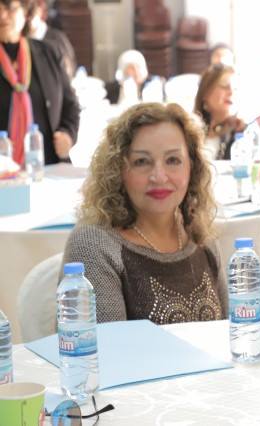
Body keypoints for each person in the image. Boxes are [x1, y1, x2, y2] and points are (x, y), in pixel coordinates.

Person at [62, 102, 228, 324]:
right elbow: (106, 344)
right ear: (118, 170)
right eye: (142, 162)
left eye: (173, 160)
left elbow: (230, 330)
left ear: (192, 166)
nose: (159, 176)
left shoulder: (200, 235)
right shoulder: (93, 245)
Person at [0, 0, 79, 165]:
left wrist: (68, 134)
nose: (2, 15)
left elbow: (70, 105)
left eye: (9, 7)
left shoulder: (49, 52)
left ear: (25, 12)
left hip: (48, 166)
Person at [193, 64, 245, 161]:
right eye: (225, 86)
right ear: (205, 92)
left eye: (235, 88)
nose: (231, 92)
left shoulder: (241, 132)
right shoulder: (189, 130)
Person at [29, 0, 76, 79]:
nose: (27, 17)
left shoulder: (57, 40)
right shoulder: (20, 41)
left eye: (31, 13)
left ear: (41, 12)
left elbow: (68, 72)